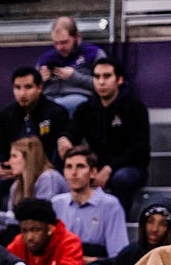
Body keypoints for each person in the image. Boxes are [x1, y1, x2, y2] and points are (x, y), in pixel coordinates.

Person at [62, 57, 152, 210]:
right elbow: (73, 132)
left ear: (119, 80)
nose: (101, 82)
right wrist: (64, 139)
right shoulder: (86, 108)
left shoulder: (134, 107)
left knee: (121, 180)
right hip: (96, 166)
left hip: (130, 166)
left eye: (107, 76)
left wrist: (109, 168)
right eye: (97, 77)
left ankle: (119, 225)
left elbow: (140, 149)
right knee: (70, 174)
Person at [52, 146, 129, 263]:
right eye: (68, 167)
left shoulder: (110, 205)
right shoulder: (56, 203)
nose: (74, 173)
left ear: (93, 172)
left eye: (80, 166)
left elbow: (118, 256)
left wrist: (79, 261)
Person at [0, 66, 70, 165]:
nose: (22, 93)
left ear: (39, 88)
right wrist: (0, 164)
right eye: (17, 87)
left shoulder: (56, 113)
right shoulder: (5, 114)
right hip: (13, 172)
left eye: (28, 87)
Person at [37, 16, 106, 116]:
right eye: (56, 43)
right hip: (49, 97)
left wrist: (73, 76)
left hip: (79, 98)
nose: (60, 47)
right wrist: (40, 80)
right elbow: (33, 88)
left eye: (64, 42)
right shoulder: (46, 58)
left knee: (55, 108)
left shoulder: (93, 53)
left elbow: (103, 85)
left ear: (76, 37)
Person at [6, 198, 84, 265]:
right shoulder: (18, 243)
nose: (29, 237)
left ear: (50, 229)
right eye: (24, 231)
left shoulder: (69, 242)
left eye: (35, 230)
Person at [97, 203, 171, 265]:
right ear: (143, 224)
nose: (155, 229)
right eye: (150, 222)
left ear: (170, 229)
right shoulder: (128, 254)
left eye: (162, 224)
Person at [2, 135, 67, 221]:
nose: (9, 162)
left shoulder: (49, 178)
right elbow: (10, 217)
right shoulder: (16, 186)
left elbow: (43, 218)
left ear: (28, 158)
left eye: (14, 156)